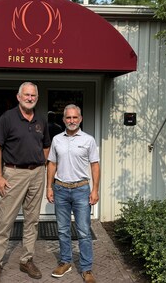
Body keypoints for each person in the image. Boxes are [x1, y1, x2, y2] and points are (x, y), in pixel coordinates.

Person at [0, 82, 51, 283]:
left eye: (33, 95)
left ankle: (27, 260)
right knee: (5, 220)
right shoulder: (7, 118)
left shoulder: (42, 119)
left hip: (37, 174)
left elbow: (46, 146)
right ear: (18, 96)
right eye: (27, 95)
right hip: (14, 174)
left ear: (37, 98)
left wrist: (42, 166)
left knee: (32, 220)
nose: (30, 98)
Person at [46, 104, 100, 283]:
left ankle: (86, 268)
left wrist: (95, 190)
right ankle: (66, 262)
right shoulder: (57, 140)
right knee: (62, 230)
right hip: (60, 189)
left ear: (80, 118)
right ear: (63, 120)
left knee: (84, 231)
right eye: (68, 118)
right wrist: (49, 187)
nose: (71, 121)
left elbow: (95, 165)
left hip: (81, 190)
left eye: (74, 117)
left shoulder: (88, 140)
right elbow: (52, 164)